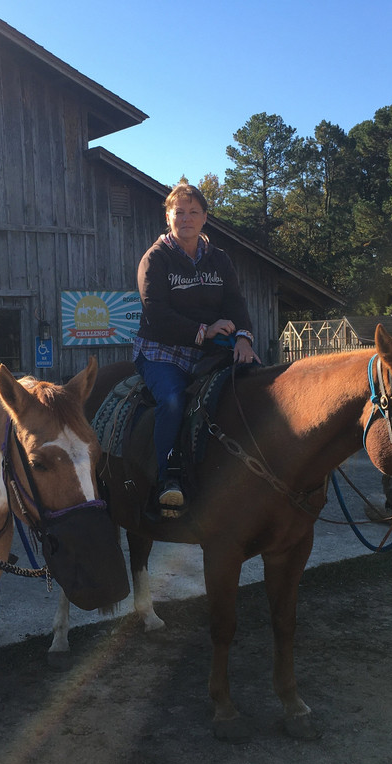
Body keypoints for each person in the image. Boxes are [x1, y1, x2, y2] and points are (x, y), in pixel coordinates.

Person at [133, 182, 259, 518]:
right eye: (179, 212)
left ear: (204, 218)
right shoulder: (156, 259)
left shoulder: (219, 260)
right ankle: (168, 477)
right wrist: (204, 330)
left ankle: (253, 470)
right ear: (168, 217)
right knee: (173, 399)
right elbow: (155, 312)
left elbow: (235, 302)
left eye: (193, 212)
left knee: (258, 382)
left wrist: (244, 338)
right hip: (163, 350)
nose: (186, 218)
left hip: (210, 349)